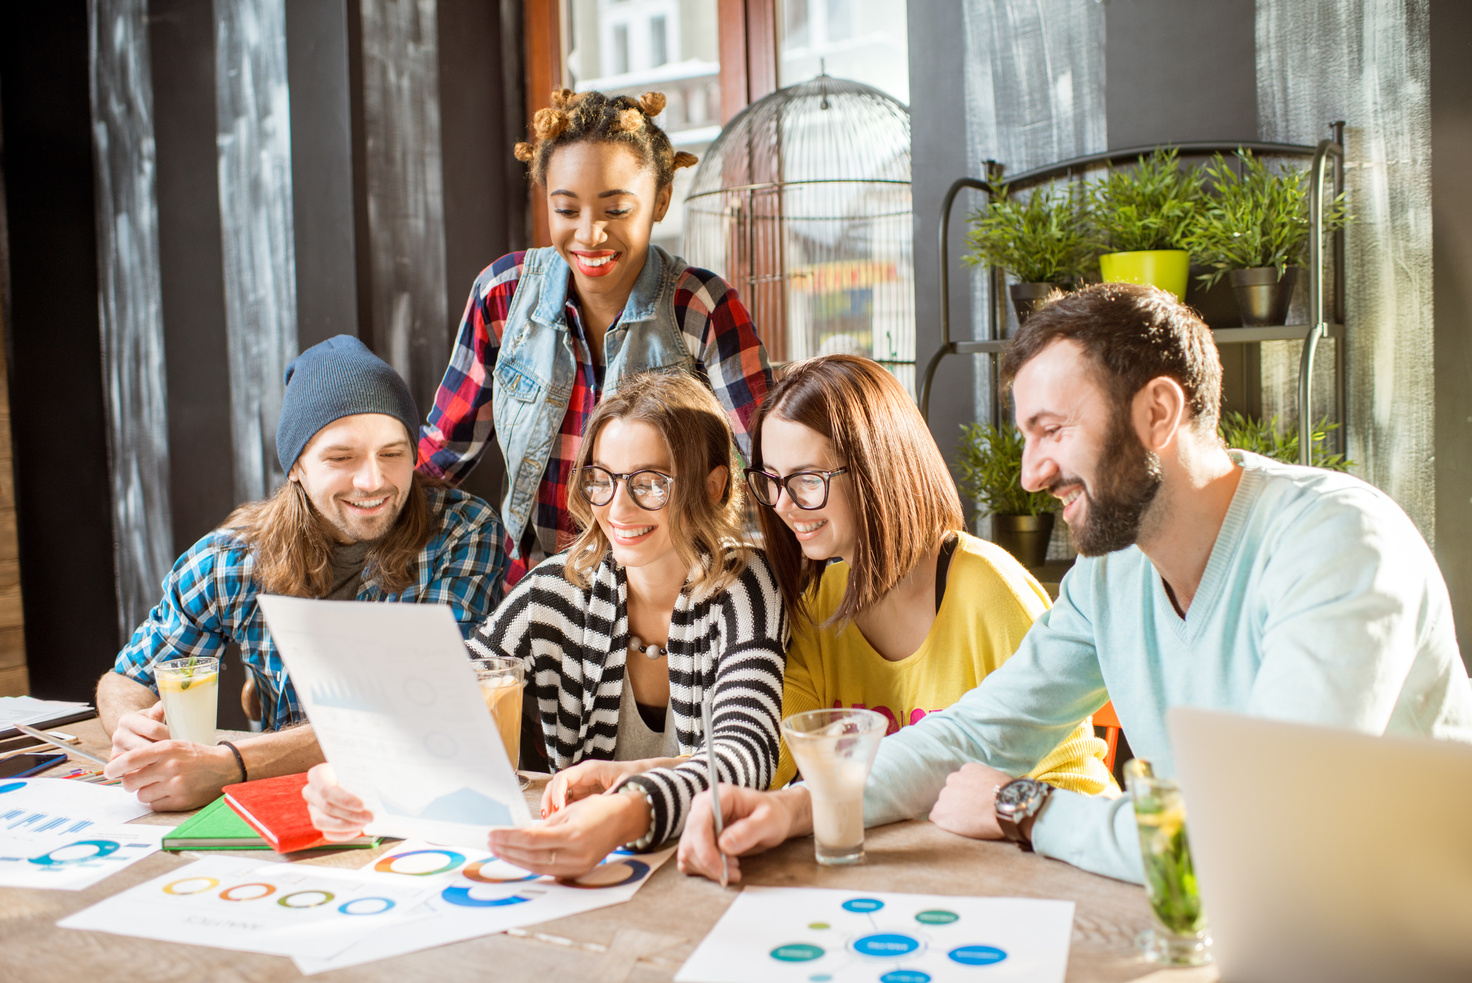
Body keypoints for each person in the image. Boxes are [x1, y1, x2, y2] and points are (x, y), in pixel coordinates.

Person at [678, 283, 1472, 885]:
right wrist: (793, 807)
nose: (1031, 473)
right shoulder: (1112, 573)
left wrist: (1027, 807)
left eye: (1052, 431)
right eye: (1027, 437)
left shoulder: (1339, 543)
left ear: (1158, 410)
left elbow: (1260, 837)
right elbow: (972, 732)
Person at [305, 372, 788, 878]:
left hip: (712, 870)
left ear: (712, 487)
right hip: (583, 873)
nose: (617, 509)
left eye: (649, 484)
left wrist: (626, 810)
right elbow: (444, 700)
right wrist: (354, 765)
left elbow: (744, 760)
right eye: (601, 480)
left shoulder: (746, 586)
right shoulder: (553, 592)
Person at [99, 336, 508, 811]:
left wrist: (231, 763)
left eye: (393, 453)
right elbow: (125, 679)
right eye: (341, 458)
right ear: (296, 466)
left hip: (425, 801)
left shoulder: (462, 533)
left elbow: (417, 714)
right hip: (291, 806)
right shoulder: (230, 560)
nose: (373, 480)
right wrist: (131, 726)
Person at [417, 88, 773, 585]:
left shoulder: (700, 307)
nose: (589, 235)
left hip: (666, 598)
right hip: (537, 592)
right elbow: (438, 458)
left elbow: (768, 458)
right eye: (566, 210)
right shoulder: (502, 296)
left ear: (661, 201)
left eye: (616, 210)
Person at [747, 354, 1110, 793]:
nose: (783, 504)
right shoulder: (817, 602)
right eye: (771, 479)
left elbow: (1073, 780)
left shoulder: (988, 590)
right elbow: (771, 753)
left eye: (807, 479)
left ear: (875, 469)